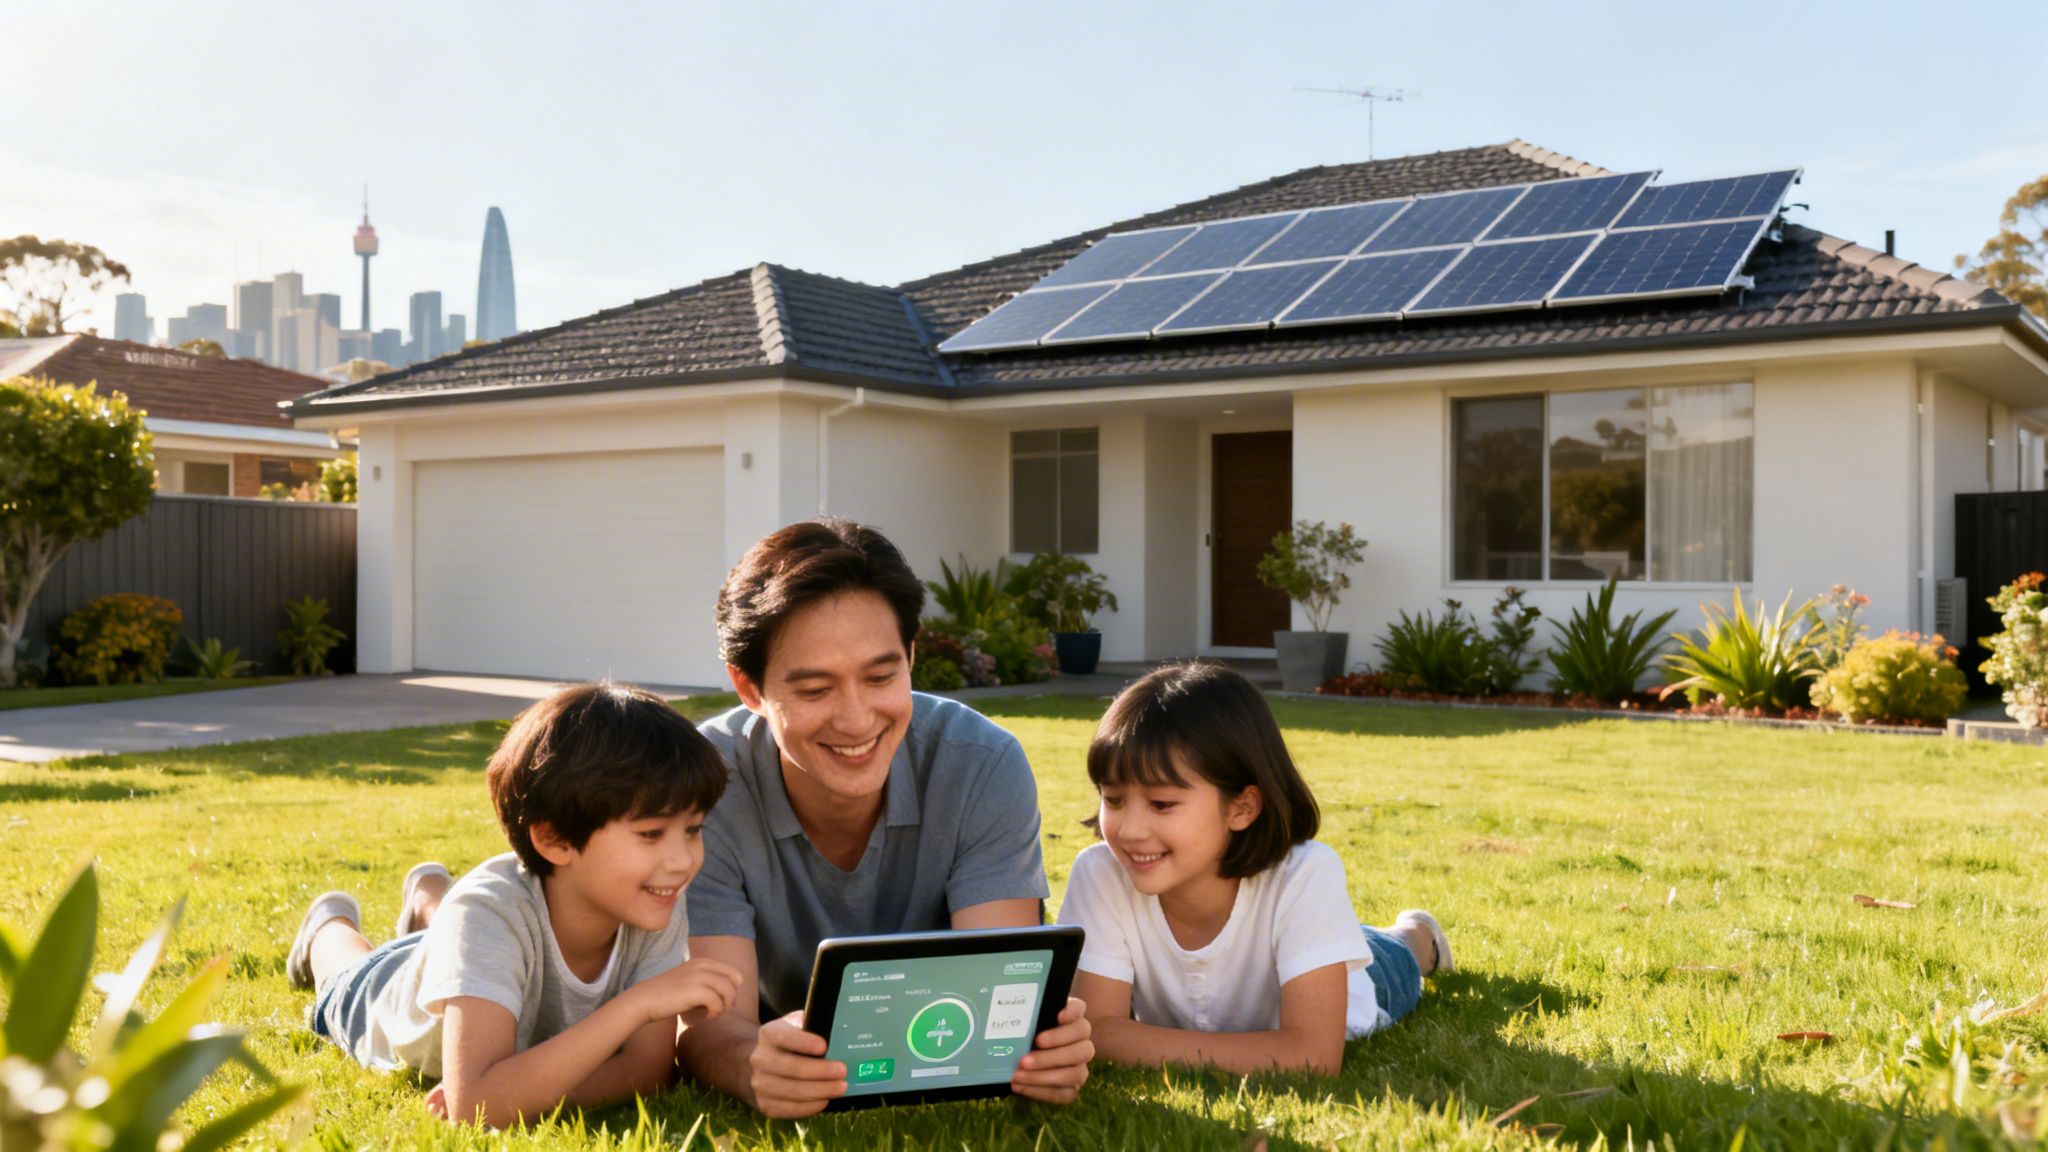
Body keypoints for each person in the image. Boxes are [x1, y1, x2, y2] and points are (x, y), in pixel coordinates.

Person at [675, 518, 1093, 1117]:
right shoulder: (702, 785)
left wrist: (1039, 1051)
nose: (856, 719)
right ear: (749, 688)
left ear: (912, 656)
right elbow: (712, 1025)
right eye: (816, 690)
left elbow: (999, 992)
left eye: (881, 676)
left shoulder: (981, 764)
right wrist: (754, 1070)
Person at [286, 682, 744, 1128]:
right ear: (554, 838)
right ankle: (327, 923)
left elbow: (647, 1074)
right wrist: (638, 1005)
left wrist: (514, 1095)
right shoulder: (486, 913)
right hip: (379, 991)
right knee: (346, 966)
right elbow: (480, 1109)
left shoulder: (651, 898)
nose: (684, 860)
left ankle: (428, 898)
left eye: (693, 828)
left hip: (473, 946)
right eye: (651, 834)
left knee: (463, 926)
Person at [1055, 660, 1452, 1076]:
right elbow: (1097, 1031)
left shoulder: (1305, 874)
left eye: (1162, 804)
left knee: (1395, 953)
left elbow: (1314, 1058)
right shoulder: (1100, 874)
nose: (1131, 830)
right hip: (1302, 949)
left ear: (1242, 808)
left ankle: (1417, 934)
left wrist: (1137, 1041)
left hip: (1364, 983)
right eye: (1113, 799)